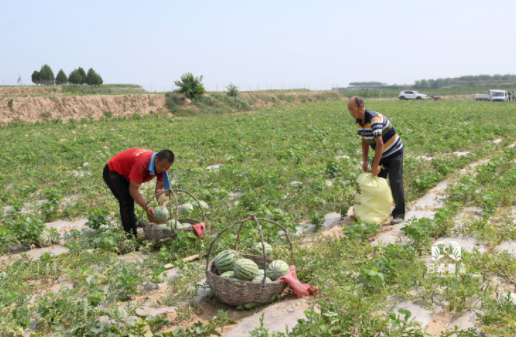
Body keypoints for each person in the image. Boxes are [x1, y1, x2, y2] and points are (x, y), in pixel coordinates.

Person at [347, 96, 405, 225]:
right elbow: (365, 140)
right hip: (381, 153)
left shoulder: (374, 119)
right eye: (348, 110)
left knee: (395, 181)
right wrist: (365, 161)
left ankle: (399, 214)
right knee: (375, 181)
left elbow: (380, 144)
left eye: (352, 109)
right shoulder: (359, 121)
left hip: (394, 151)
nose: (350, 112)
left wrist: (376, 165)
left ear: (361, 107)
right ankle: (375, 211)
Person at [103, 148, 174, 238]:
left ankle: (134, 224)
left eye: (167, 167)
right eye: (162, 166)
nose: (163, 169)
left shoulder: (164, 167)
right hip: (114, 172)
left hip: (128, 171)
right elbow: (133, 190)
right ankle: (131, 236)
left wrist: (164, 209)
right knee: (127, 201)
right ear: (156, 159)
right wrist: (147, 208)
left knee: (129, 199)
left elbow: (160, 190)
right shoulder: (141, 163)